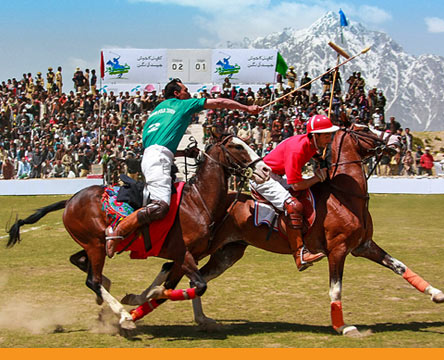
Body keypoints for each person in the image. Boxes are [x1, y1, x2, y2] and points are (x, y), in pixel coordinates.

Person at [105, 78, 262, 258]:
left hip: (153, 156)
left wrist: (181, 154)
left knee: (178, 203)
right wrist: (247, 108)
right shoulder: (183, 104)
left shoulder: (156, 111)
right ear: (177, 94)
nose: (189, 93)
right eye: (185, 90)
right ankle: (118, 230)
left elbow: (157, 144)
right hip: (159, 158)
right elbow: (219, 102)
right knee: (161, 206)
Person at [250, 114, 339, 271]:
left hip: (276, 176)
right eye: (326, 134)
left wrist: (321, 161)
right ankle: (300, 254)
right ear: (315, 136)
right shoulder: (297, 149)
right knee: (293, 205)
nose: (330, 138)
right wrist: (317, 177)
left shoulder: (312, 145)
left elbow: (314, 156)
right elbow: (297, 185)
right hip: (263, 178)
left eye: (330, 134)